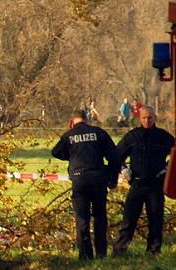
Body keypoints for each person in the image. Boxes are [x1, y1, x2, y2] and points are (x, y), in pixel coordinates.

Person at [51, 110, 120, 260]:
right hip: (98, 179)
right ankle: (101, 254)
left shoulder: (69, 135)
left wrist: (71, 156)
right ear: (87, 119)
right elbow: (114, 157)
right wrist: (112, 178)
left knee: (82, 218)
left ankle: (85, 256)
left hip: (79, 180)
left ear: (73, 121)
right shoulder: (99, 133)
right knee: (100, 217)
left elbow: (55, 151)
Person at [112, 106, 174, 256]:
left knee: (156, 220)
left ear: (155, 118)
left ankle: (153, 252)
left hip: (156, 185)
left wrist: (167, 169)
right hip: (137, 184)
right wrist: (123, 169)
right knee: (128, 220)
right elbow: (116, 155)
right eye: (144, 118)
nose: (147, 121)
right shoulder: (132, 137)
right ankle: (119, 251)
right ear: (139, 119)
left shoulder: (163, 137)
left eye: (150, 118)